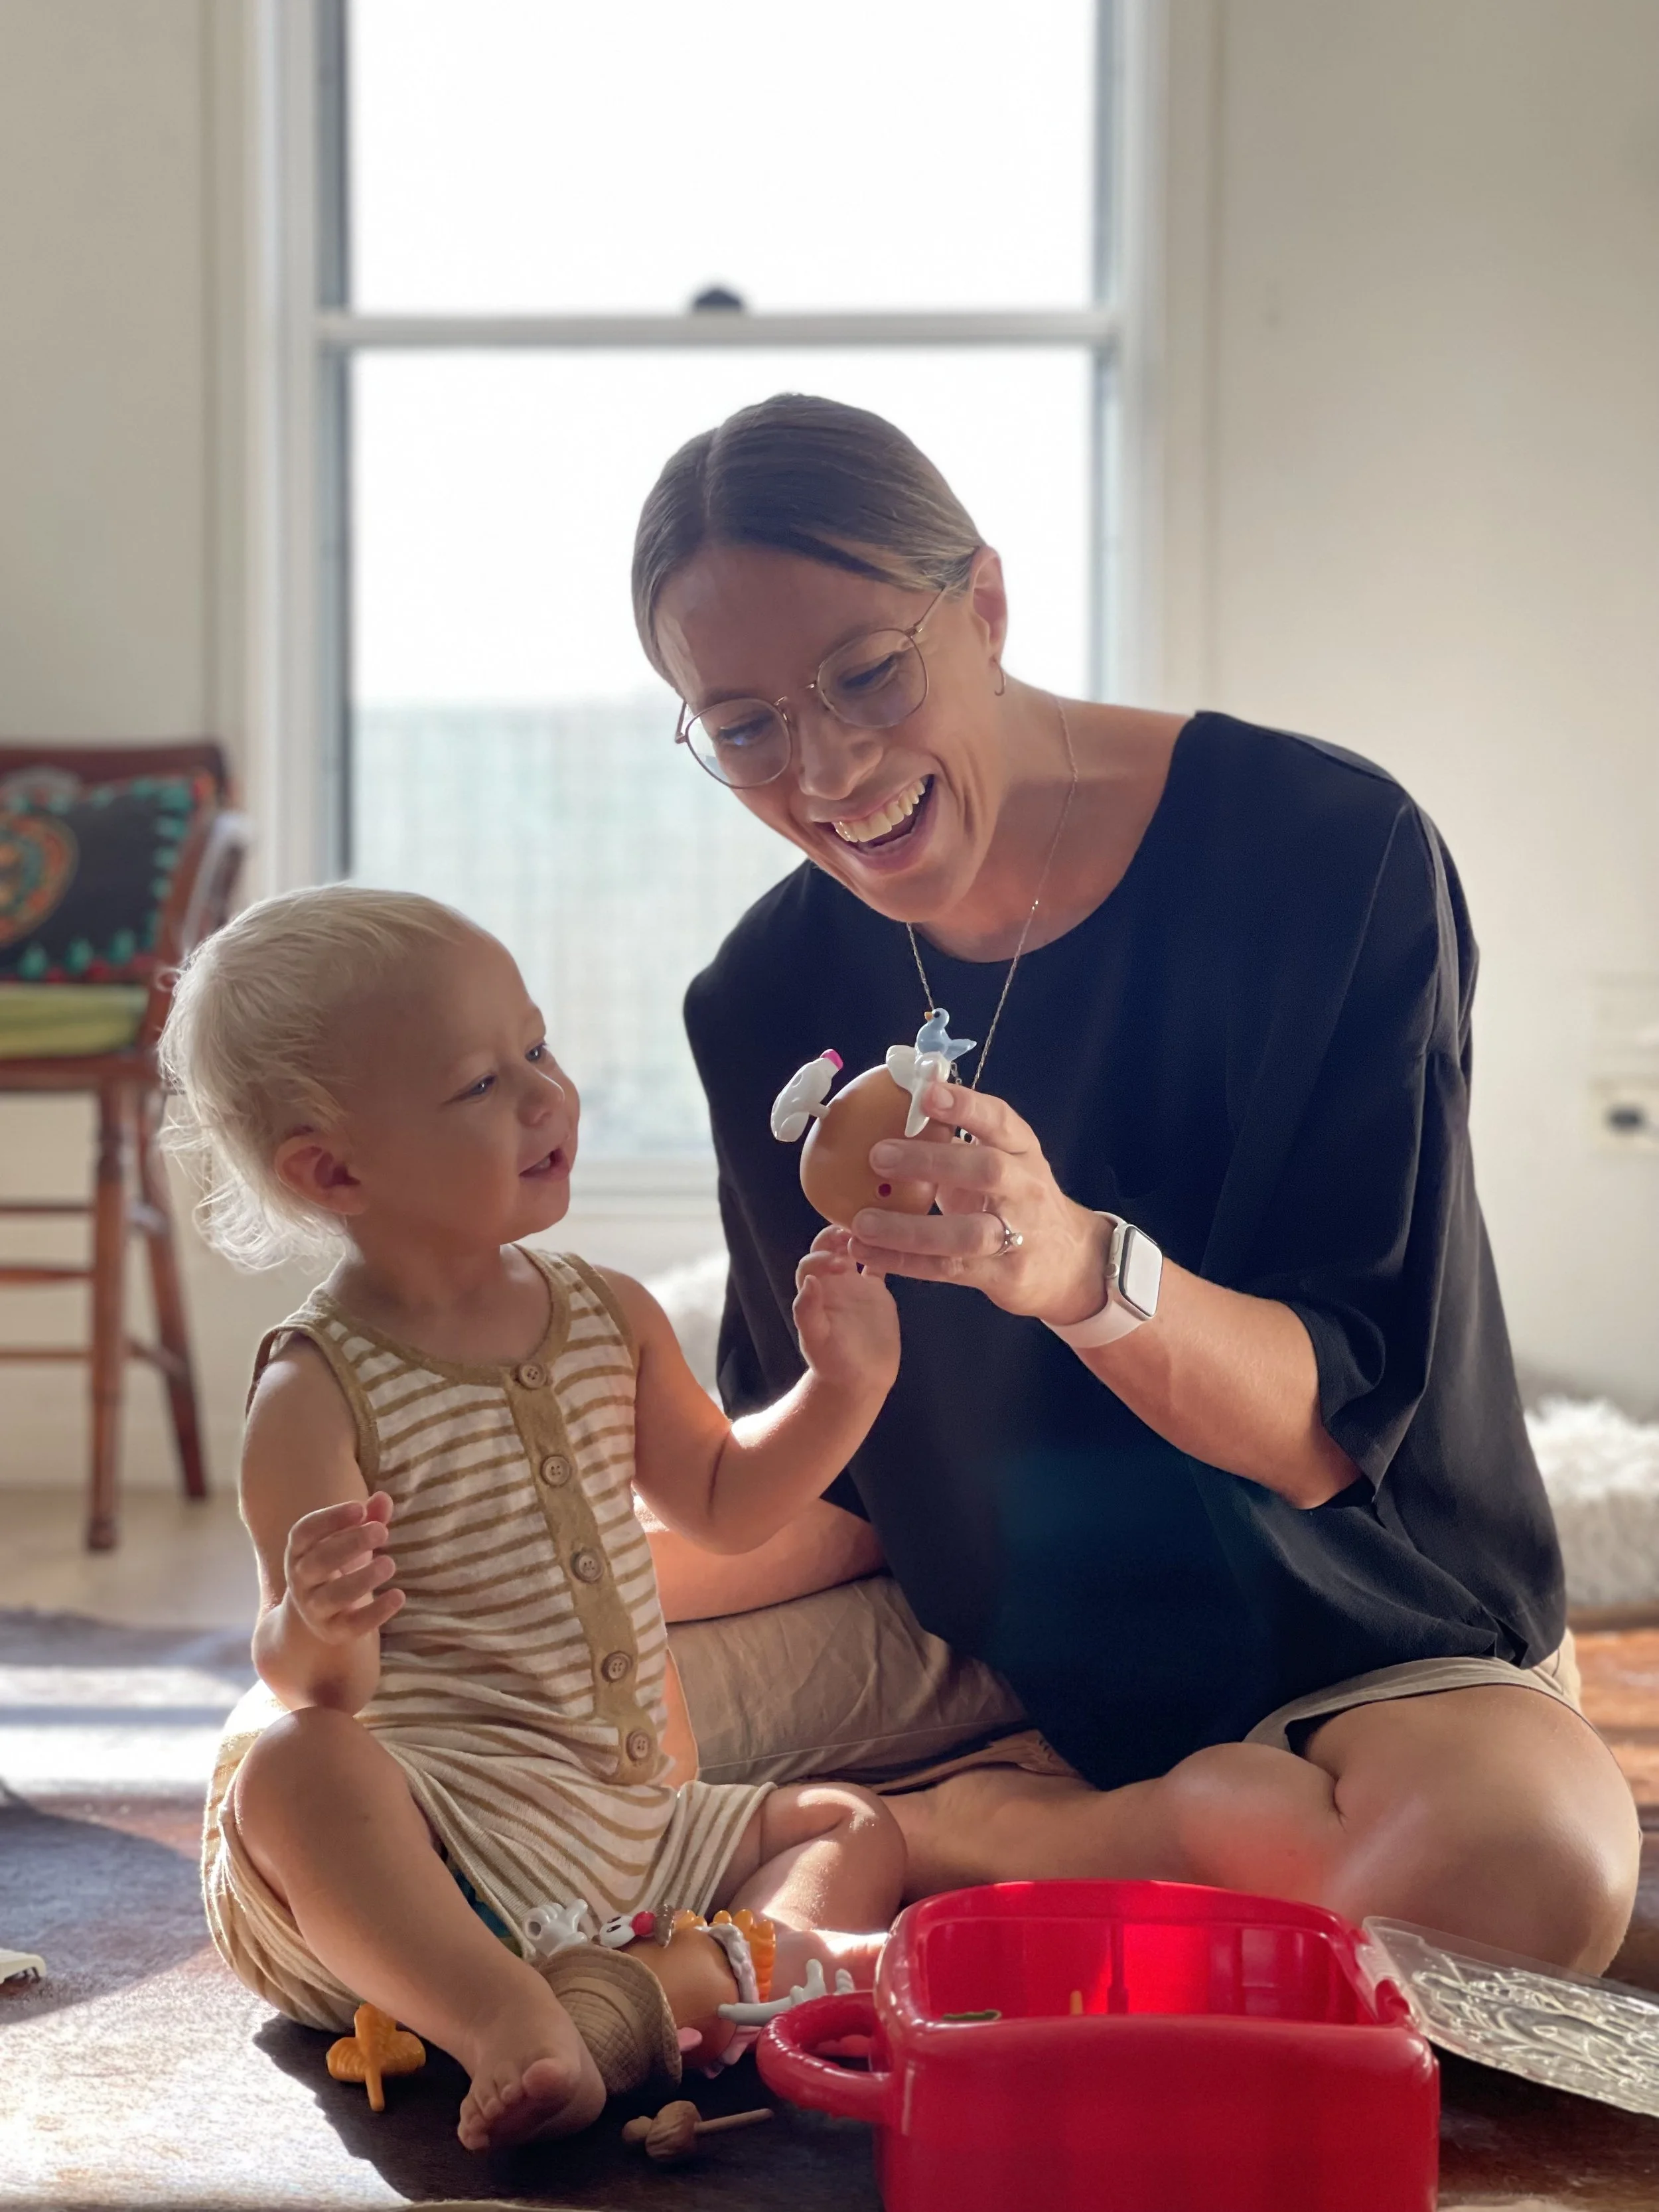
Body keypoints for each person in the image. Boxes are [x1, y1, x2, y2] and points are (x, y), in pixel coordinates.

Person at [632, 392, 1640, 1974]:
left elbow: (1325, 1435)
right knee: (388, 1751)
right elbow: (838, 1494)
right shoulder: (757, 999)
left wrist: (1078, 1267)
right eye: (745, 725)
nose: (823, 769)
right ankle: (1083, 1829)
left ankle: (969, 1839)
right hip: (1000, 1656)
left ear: (981, 602)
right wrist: (499, 1555)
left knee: (1507, 1884)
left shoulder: (1325, 855)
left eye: (866, 675)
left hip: (1369, 1636)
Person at [162, 886, 901, 2152]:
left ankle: (661, 1988)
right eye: (479, 1085)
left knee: (850, 1823)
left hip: (620, 1836)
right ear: (334, 1168)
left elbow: (727, 1503)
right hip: (441, 1856)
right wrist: (317, 1620)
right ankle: (501, 2012)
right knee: (294, 1770)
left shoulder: (609, 1314)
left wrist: (846, 1387)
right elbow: (313, 1683)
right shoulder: (314, 1388)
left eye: (539, 1050)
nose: (545, 1095)